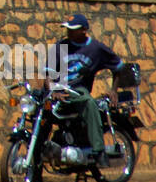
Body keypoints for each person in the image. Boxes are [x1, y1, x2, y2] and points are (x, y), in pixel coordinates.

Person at [52, 13, 123, 158]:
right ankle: (36, 163)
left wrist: (114, 90)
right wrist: (53, 90)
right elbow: (48, 73)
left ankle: (99, 150)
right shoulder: (60, 46)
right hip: (58, 90)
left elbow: (118, 67)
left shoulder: (96, 48)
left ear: (84, 30)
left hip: (78, 91)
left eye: (73, 29)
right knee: (37, 109)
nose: (69, 32)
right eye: (67, 29)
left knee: (88, 102)